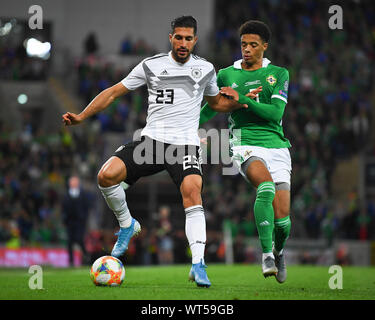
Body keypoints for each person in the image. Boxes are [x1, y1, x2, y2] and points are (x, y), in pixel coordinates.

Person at [62, 16, 246, 287]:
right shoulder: (151, 65)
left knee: (193, 191)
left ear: (195, 40)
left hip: (184, 144)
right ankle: (127, 224)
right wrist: (81, 116)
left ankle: (198, 264)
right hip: (151, 142)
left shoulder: (206, 69)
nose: (183, 43)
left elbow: (215, 102)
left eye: (188, 38)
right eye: (178, 37)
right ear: (170, 37)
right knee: (106, 176)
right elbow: (113, 92)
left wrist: (238, 103)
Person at [200, 20, 292, 283]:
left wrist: (244, 101)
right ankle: (266, 256)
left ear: (265, 46)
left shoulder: (279, 74)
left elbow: (275, 113)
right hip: (244, 142)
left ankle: (279, 249)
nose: (247, 49)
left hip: (277, 145)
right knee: (265, 188)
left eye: (253, 45)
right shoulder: (226, 74)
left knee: (283, 222)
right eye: (243, 44)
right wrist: (187, 125)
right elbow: (211, 107)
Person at [62, 175, 90, 266]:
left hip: (80, 221)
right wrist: (65, 219)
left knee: (79, 238)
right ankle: (71, 261)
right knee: (70, 241)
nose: (73, 184)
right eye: (72, 182)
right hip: (70, 221)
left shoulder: (83, 194)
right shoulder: (66, 195)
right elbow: (64, 208)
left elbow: (86, 207)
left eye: (75, 182)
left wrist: (84, 218)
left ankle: (85, 255)